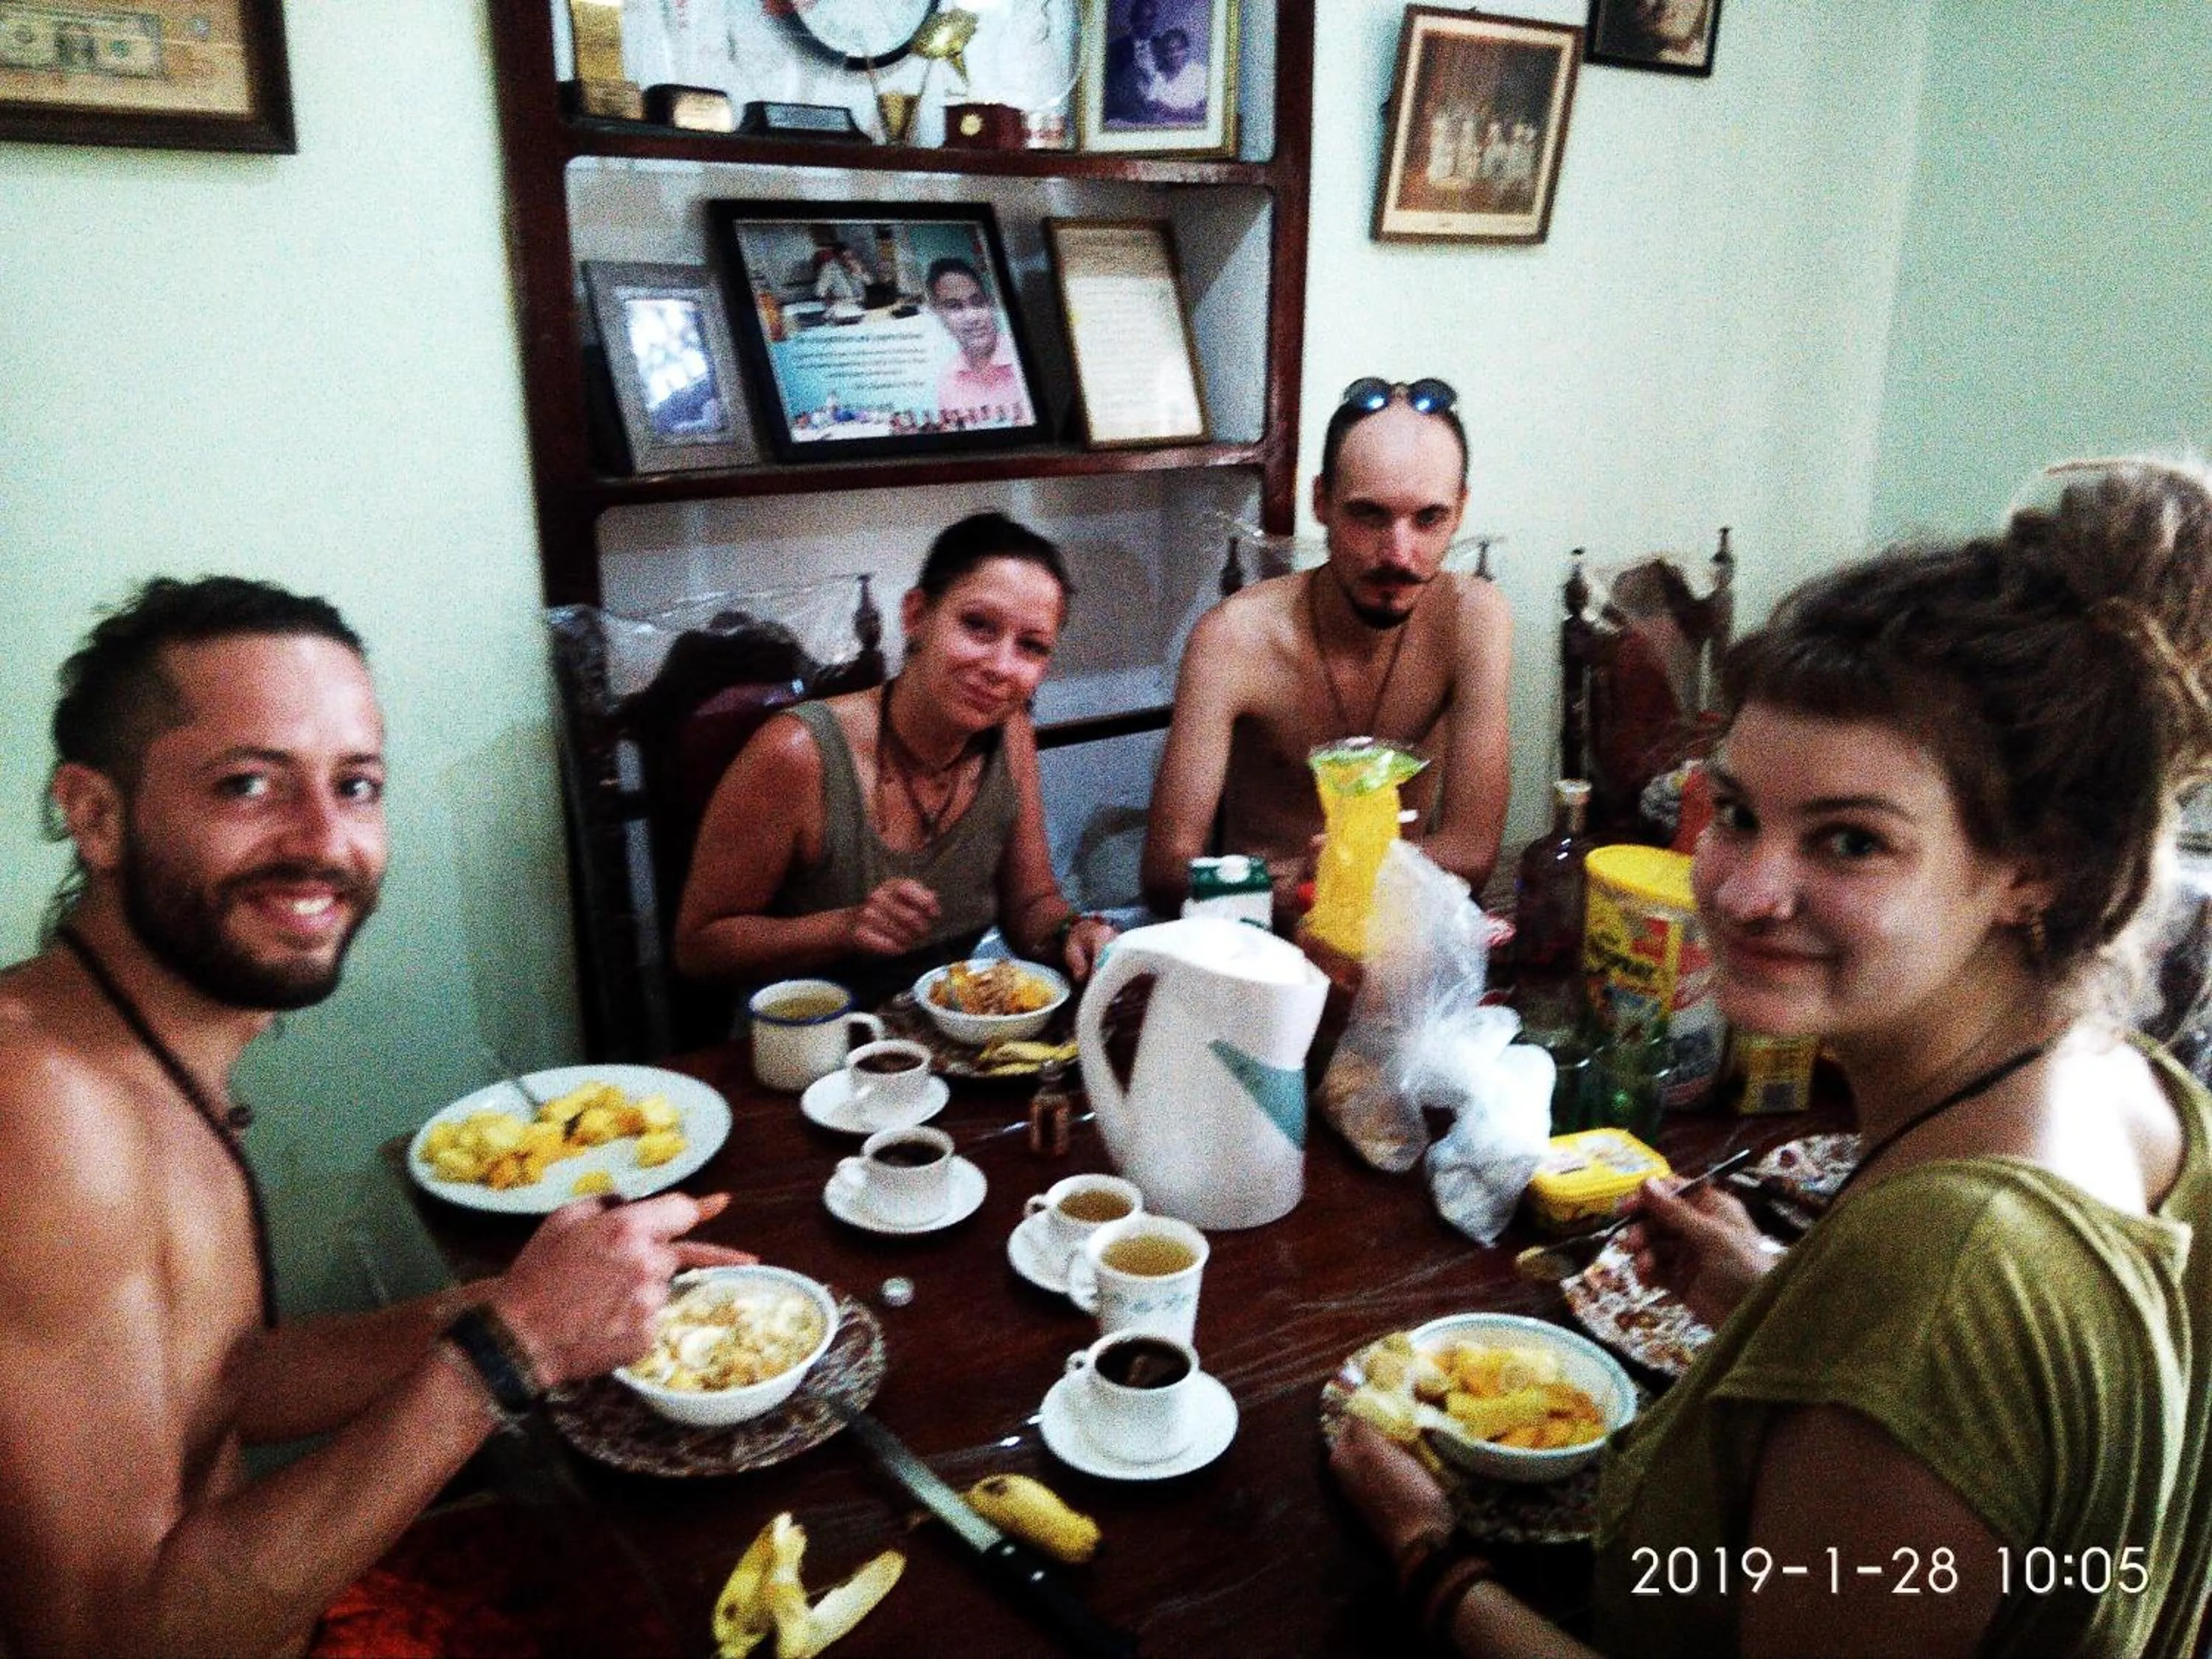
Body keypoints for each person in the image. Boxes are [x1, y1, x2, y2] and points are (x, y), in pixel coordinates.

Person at [1330, 456, 2212, 1658]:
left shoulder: (1942, 1272)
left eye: (1850, 840)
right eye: (1737, 812)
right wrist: (1781, 1307)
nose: (1741, 891)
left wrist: (1431, 1559)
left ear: (2037, 868)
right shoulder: (2137, 1091)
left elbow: (1949, 1338)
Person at [0, 576, 751, 1659]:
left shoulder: (136, 1044)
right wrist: (513, 1347)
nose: (323, 839)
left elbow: (221, 1380)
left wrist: (529, 1297)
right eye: (248, 783)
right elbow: (117, 1638)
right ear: (96, 814)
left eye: (356, 785)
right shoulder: (44, 1107)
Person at [675, 512, 1114, 1007]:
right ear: (916, 615)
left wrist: (1070, 933)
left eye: (1031, 646)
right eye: (977, 626)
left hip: (952, 1041)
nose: (999, 667)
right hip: (811, 1046)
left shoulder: (1009, 734)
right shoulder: (799, 753)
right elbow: (699, 949)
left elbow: (1031, 904)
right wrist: (843, 926)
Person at [1140, 377, 1513, 922]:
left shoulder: (1474, 618)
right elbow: (1167, 874)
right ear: (1322, 502)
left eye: (1429, 519)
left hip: (1398, 930)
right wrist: (1290, 888)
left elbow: (1473, 852)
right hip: (1262, 932)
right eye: (1369, 515)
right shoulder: (1234, 637)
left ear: (1460, 511)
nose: (1399, 554)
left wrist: (1340, 874)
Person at [926, 258, 1034, 430]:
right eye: (955, 307)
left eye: (978, 302)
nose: (972, 317)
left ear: (990, 303)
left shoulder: (1027, 352)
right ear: (939, 316)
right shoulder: (946, 382)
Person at [1102, 0, 1160, 124]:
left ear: (1154, 20)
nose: (1145, 24)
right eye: (1140, 18)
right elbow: (1110, 91)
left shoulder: (1162, 46)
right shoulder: (1115, 49)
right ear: (1132, 20)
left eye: (1149, 18)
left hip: (1158, 119)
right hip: (1126, 119)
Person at [1143, 27, 1208, 123]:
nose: (1175, 55)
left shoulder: (1200, 72)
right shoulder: (1159, 76)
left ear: (1187, 49)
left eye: (1179, 49)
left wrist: (1174, 112)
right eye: (1170, 51)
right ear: (1165, 54)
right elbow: (1151, 104)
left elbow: (1206, 111)